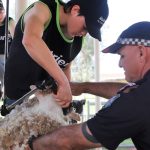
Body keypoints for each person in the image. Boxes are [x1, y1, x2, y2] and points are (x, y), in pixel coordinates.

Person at [30, 21, 150, 150]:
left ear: (141, 52)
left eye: (122, 56)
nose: (120, 64)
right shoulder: (142, 93)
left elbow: (66, 140)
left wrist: (28, 144)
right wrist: (83, 87)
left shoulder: (137, 102)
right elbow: (131, 91)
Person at [4, 0, 109, 107]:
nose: (84, 34)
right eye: (85, 27)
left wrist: (65, 94)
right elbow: (30, 40)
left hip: (43, 99)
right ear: (75, 10)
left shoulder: (77, 42)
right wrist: (63, 82)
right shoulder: (43, 9)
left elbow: (66, 67)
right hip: (16, 95)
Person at [0, 0, 15, 92]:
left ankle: (6, 91)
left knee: (6, 77)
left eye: (2, 12)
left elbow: (16, 38)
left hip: (8, 55)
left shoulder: (9, 21)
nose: (0, 15)